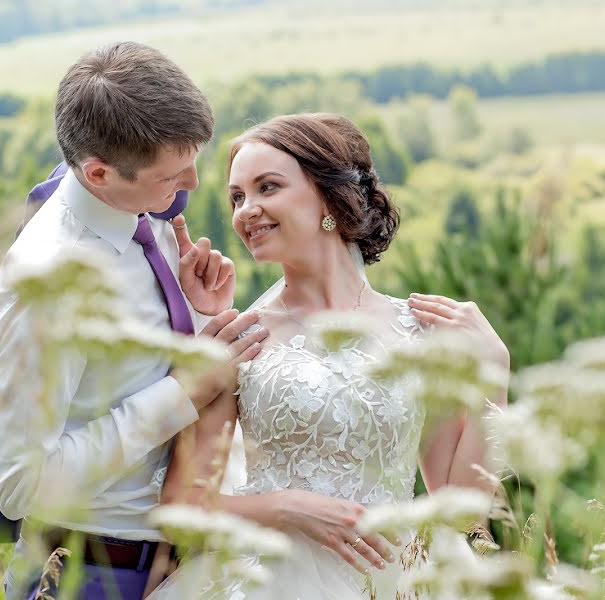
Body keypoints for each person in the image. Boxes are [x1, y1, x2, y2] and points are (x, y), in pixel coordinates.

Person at [148, 113, 509, 599]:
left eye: (267, 187)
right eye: (237, 197)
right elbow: (183, 507)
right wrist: (285, 507)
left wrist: (493, 375)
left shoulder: (416, 335)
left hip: (390, 581)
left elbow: (458, 511)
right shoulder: (242, 338)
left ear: (328, 197)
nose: (246, 210)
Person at [0, 41, 266, 600]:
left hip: (178, 567)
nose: (193, 184)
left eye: (194, 159)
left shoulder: (135, 205)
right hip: (89, 573)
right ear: (98, 173)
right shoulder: (49, 283)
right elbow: (20, 487)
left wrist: (188, 310)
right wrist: (181, 393)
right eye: (172, 175)